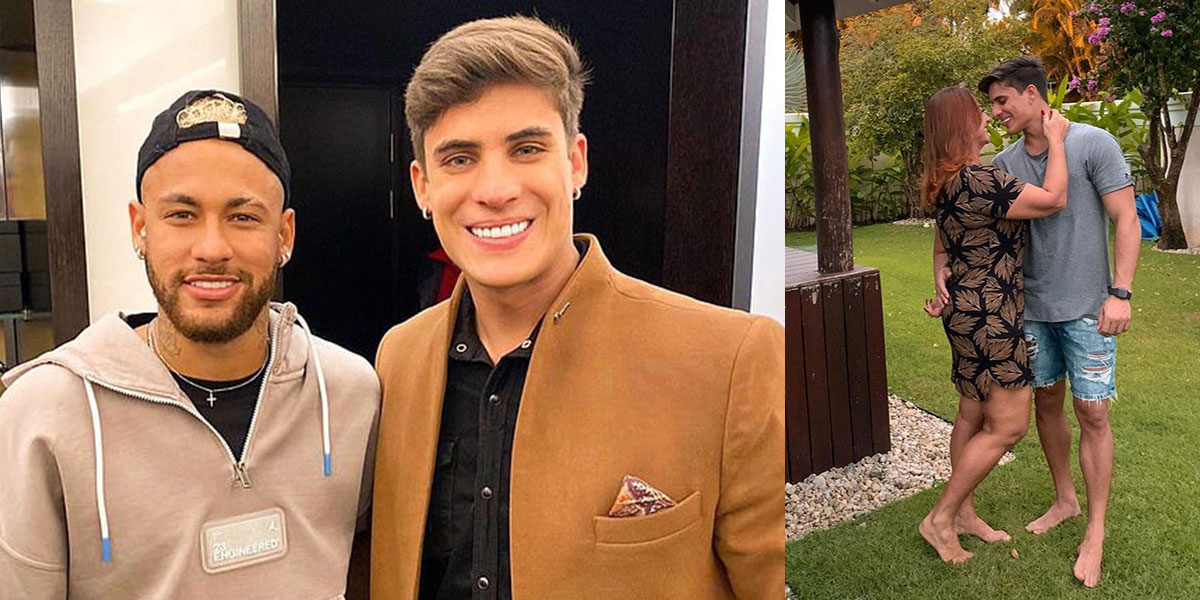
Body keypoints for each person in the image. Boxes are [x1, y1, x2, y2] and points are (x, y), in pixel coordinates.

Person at [370, 16, 783, 599]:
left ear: (575, 163)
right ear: (422, 186)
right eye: (459, 158)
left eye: (526, 149)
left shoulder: (730, 359)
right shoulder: (398, 358)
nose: (495, 190)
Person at [0, 90, 380, 598]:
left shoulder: (351, 394)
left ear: (284, 234)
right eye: (182, 215)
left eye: (243, 217)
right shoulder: (46, 412)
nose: (212, 248)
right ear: (140, 228)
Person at [977, 56, 1140, 588]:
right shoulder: (1004, 163)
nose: (996, 112)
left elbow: (1127, 218)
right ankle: (1065, 499)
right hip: (1032, 310)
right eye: (992, 104)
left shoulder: (1094, 143)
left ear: (1032, 93)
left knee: (1092, 412)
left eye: (1002, 100)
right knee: (1046, 402)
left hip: (1090, 308)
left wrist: (1120, 293)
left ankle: (1096, 530)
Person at [919, 85, 1069, 564]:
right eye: (979, 112)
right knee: (1008, 426)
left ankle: (964, 515)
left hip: (963, 312)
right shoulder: (980, 179)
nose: (989, 117)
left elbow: (942, 247)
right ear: (963, 126)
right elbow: (1054, 199)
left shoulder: (946, 182)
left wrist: (939, 272)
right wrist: (1057, 139)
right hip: (993, 316)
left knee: (971, 414)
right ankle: (941, 518)